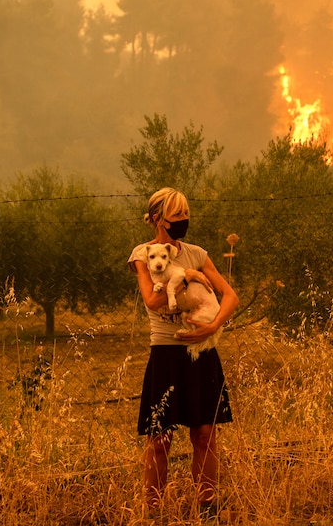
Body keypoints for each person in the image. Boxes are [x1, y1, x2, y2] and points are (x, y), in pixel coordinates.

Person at [128, 187, 239, 519]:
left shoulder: (197, 253)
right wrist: (186, 278)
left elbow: (230, 296)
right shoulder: (143, 254)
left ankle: (207, 506)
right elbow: (152, 300)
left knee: (205, 433)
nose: (184, 221)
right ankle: (154, 510)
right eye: (177, 215)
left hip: (202, 350)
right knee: (160, 437)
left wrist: (213, 325)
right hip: (165, 352)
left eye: (186, 214)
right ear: (159, 219)